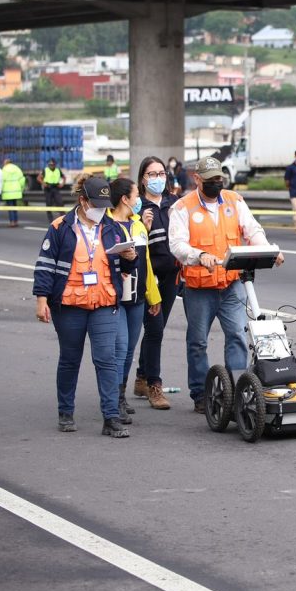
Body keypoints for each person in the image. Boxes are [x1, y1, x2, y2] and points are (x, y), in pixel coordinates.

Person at [168, 157, 285, 413]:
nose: (216, 183)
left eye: (219, 179)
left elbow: (252, 229)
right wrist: (199, 256)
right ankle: (201, 394)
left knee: (238, 336)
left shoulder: (235, 200)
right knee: (198, 342)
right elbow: (177, 245)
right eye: (210, 180)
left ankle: (237, 390)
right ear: (197, 180)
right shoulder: (181, 208)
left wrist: (267, 249)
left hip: (232, 285)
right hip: (199, 289)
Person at [33, 175, 138, 437]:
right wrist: (41, 299)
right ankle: (65, 412)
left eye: (105, 205)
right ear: (82, 200)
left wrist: (130, 258)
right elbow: (45, 266)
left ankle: (111, 418)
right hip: (69, 305)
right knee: (70, 360)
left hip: (104, 303)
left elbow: (124, 268)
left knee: (107, 359)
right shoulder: (60, 227)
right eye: (97, 205)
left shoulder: (114, 228)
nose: (101, 211)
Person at [108, 177, 162, 423]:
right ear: (124, 199)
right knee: (119, 349)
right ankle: (114, 400)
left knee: (129, 349)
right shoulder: (106, 225)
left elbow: (147, 263)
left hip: (138, 298)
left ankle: (120, 394)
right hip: (116, 299)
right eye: (135, 195)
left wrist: (154, 296)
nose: (139, 199)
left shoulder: (139, 225)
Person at [132, 157, 179, 409]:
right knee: (155, 330)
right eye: (152, 174)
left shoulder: (175, 204)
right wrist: (145, 227)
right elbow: (134, 242)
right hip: (148, 277)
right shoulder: (137, 206)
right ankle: (154, 385)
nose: (158, 178)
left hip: (171, 276)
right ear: (143, 179)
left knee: (155, 329)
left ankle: (141, 375)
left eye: (161, 173)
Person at [1, 157, 26, 227]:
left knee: (10, 207)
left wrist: (1, 189)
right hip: (16, 191)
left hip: (7, 192)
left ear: (6, 163)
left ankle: (11, 222)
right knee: (14, 207)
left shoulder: (4, 169)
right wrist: (21, 188)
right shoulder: (17, 168)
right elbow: (22, 179)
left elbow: (2, 181)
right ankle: (16, 221)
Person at [37, 158, 65, 222]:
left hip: (56, 187)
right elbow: (38, 178)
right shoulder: (45, 170)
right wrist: (43, 183)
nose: (51, 166)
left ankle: (63, 218)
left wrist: (62, 183)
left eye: (53, 165)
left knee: (60, 202)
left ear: (55, 165)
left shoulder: (58, 170)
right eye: (50, 165)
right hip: (48, 188)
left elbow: (64, 177)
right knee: (49, 203)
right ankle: (50, 219)